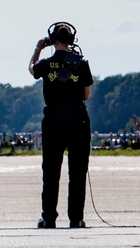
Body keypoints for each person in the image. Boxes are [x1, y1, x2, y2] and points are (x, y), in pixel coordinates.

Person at [27, 22, 93, 229]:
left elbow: (31, 69)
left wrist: (38, 48)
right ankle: (76, 218)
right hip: (77, 119)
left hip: (54, 119)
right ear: (72, 40)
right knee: (78, 172)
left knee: (51, 172)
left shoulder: (46, 63)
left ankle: (48, 218)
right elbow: (86, 94)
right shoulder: (81, 63)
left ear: (52, 39)